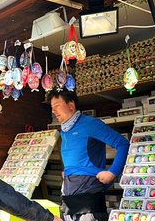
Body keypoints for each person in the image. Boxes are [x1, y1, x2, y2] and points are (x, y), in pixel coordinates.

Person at [46, 90, 129, 221]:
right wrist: (67, 171)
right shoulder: (64, 131)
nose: (53, 111)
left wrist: (113, 172)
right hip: (68, 201)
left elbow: (123, 144)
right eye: (52, 107)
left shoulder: (90, 124)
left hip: (89, 203)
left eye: (57, 106)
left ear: (71, 105)